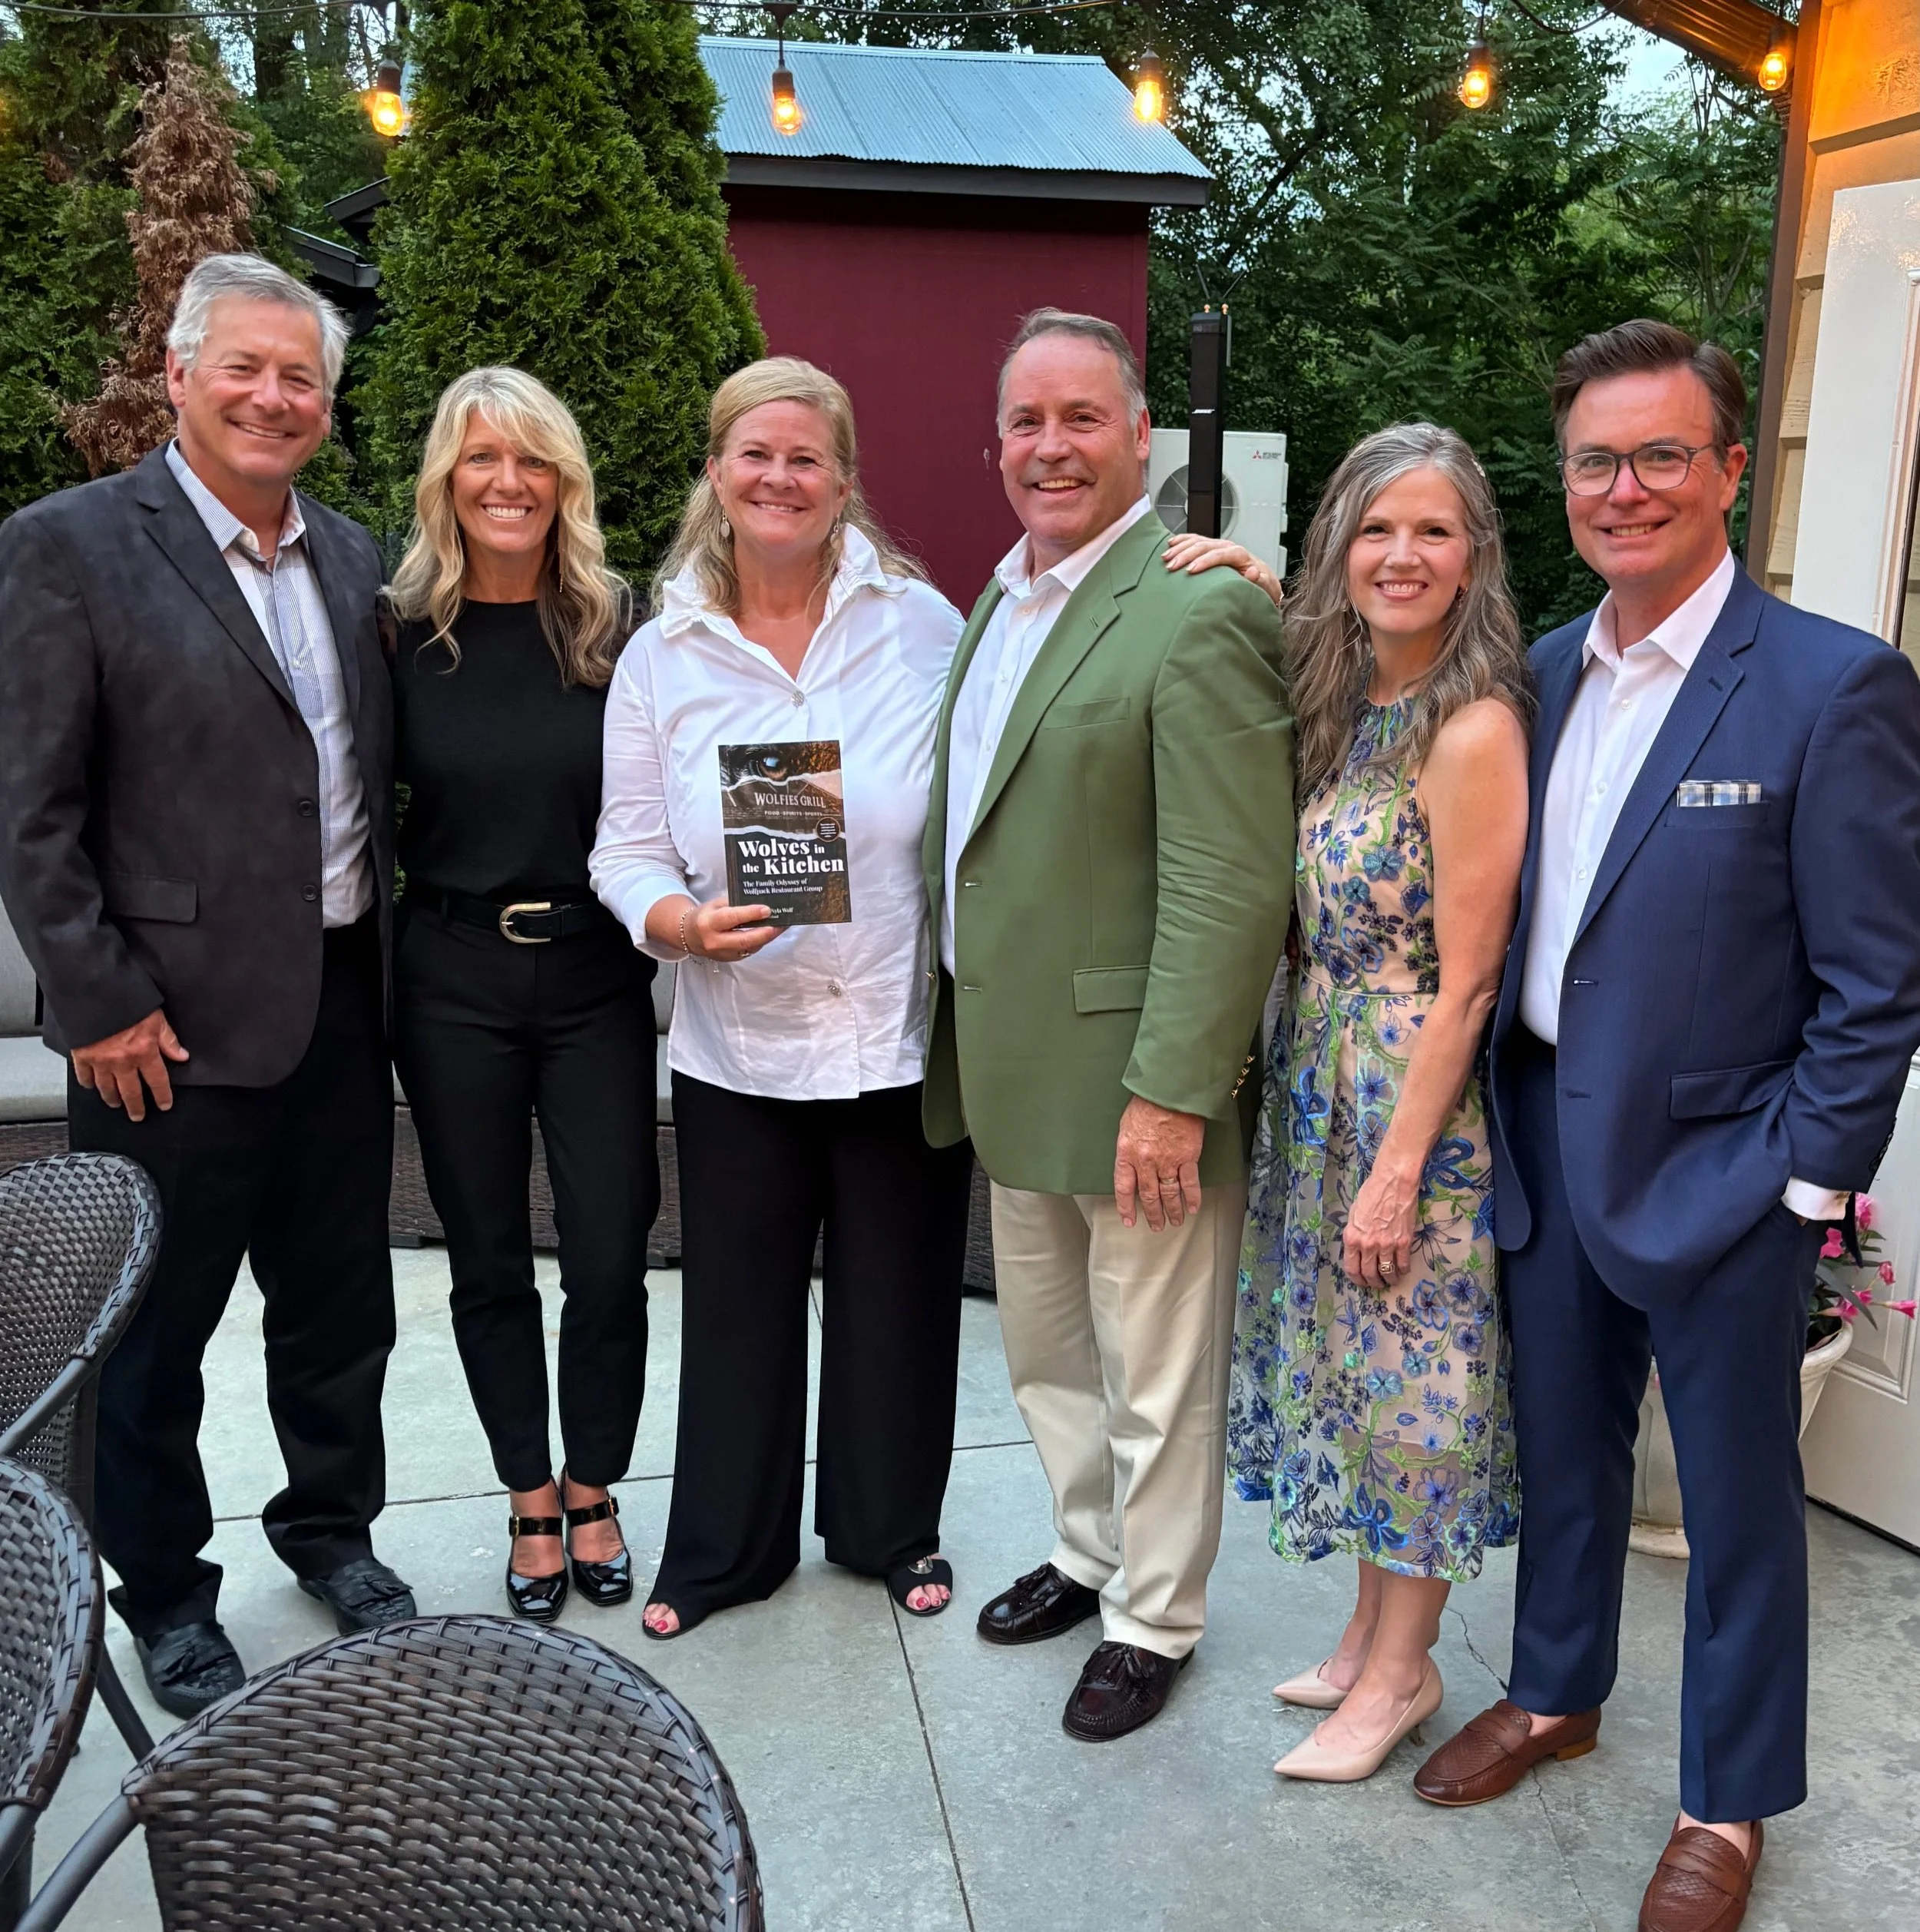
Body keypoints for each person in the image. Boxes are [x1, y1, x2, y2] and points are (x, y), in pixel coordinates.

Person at [1411, 321, 1920, 1932]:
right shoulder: (1537, 673)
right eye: (1590, 459)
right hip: (1546, 1138)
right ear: (1558, 482)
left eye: (1656, 455)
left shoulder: (1833, 687)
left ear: (1720, 471)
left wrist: (1802, 1190)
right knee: (1562, 1457)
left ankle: (1725, 1803)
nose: (1620, 489)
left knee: (1732, 1510)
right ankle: (1553, 1692)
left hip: (1725, 1171)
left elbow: (1874, 981)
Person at [0, 253, 415, 1716]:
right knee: (151, 1343)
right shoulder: (68, 546)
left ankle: (331, 1530)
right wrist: (97, 998)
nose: (271, 394)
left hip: (340, 1008)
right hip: (158, 1032)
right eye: (242, 366)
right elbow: (28, 805)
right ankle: (167, 1597)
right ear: (179, 374)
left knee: (337, 1310)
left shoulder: (360, 561)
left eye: (299, 375)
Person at [925, 308, 1294, 1742]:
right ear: (996, 446)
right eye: (1027, 421)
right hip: (1013, 1063)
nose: (1051, 446)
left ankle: (1157, 1612)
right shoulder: (994, 604)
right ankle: (1088, 1554)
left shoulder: (1202, 607)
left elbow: (1232, 873)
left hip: (1139, 1077)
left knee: (1158, 1369)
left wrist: (1177, 1087)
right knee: (1049, 1353)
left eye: (1083, 418)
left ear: (1141, 436)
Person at [591, 356, 975, 1637]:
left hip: (892, 1030)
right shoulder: (662, 653)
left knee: (899, 1295)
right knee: (740, 1308)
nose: (780, 476)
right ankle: (722, 1552)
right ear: (718, 471)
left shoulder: (923, 626)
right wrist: (676, 919)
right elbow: (624, 842)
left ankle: (889, 1527)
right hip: (736, 1042)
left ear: (845, 480)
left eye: (806, 457)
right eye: (756, 453)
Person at [1208, 423, 1531, 1782]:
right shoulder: (1355, 706)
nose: (1402, 555)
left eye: (1434, 531)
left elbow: (1468, 985)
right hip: (1319, 1085)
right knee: (1347, 1370)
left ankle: (1403, 1675)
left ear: (1475, 561)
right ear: (1336, 546)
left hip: (1412, 1101)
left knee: (1414, 1387)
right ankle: (1364, 1632)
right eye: (1376, 528)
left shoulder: (1469, 729)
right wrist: (1244, 578)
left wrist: (1400, 1167)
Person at [387, 368, 658, 1622]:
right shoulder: (397, 632)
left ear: (567, 483)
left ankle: (594, 1477)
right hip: (450, 976)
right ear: (448, 478)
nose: (508, 482)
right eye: (482, 459)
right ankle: (527, 1496)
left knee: (608, 1253)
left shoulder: (623, 624)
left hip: (600, 973)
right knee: (487, 1255)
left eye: (533, 460)